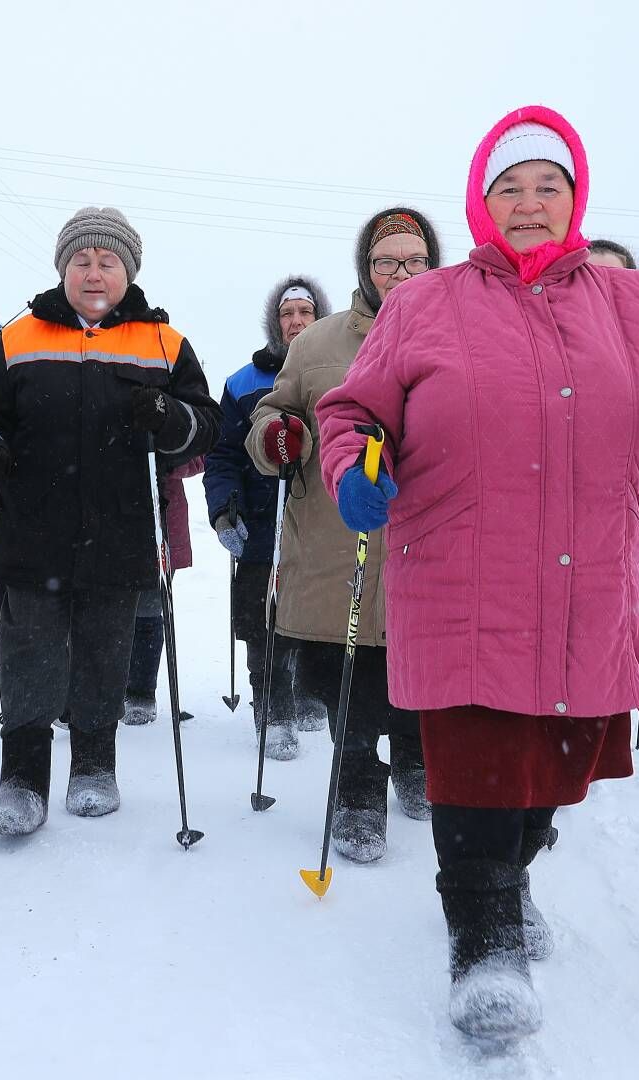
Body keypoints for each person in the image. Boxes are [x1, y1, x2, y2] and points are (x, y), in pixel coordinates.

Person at [316, 106, 639, 1038]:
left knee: (545, 787)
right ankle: (483, 948)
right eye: (507, 188)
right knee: (474, 774)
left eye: (546, 186)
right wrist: (355, 465)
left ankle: (512, 881)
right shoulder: (423, 304)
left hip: (585, 585)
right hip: (458, 579)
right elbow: (353, 413)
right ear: (481, 203)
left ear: (575, 197)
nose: (527, 205)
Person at [0, 207, 220, 836]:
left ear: (128, 272)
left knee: (105, 655)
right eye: (82, 260)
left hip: (121, 531)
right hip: (31, 530)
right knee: (29, 657)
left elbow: (204, 424)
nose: (94, 272)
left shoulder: (164, 343)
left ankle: (95, 767)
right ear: (63, 268)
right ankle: (21, 782)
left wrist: (169, 417)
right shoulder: (20, 336)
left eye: (108, 262)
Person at [246, 212, 437, 853]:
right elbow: (275, 411)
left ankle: (416, 765)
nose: (401, 274)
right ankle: (357, 793)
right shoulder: (318, 344)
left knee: (424, 670)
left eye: (415, 261)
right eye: (387, 262)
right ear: (365, 270)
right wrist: (277, 438)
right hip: (336, 541)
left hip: (428, 543)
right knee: (346, 680)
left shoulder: (459, 333)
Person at [201, 276, 329, 756]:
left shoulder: (341, 370)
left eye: (305, 313)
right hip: (260, 523)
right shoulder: (243, 383)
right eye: (287, 314)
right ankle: (272, 709)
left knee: (318, 612)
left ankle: (312, 693)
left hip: (320, 524)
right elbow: (223, 456)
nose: (296, 322)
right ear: (275, 323)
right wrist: (225, 509)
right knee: (263, 619)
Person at [120, 455, 202, 726]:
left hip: (163, 517)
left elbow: (205, 448)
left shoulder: (174, 411)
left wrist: (171, 459)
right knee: (107, 612)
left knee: (149, 610)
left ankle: (140, 692)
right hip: (107, 514)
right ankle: (103, 691)